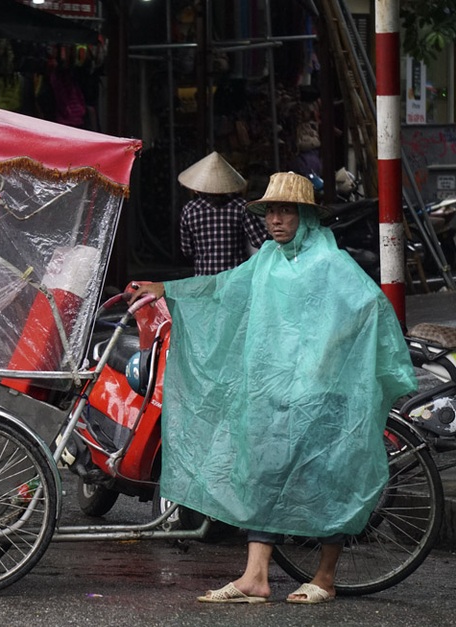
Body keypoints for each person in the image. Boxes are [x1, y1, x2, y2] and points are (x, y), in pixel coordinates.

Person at [132, 172, 416, 604]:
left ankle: (324, 577)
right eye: (270, 212)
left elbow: (370, 309)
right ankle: (255, 577)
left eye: (286, 212)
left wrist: (328, 359)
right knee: (261, 476)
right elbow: (222, 288)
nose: (276, 220)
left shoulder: (330, 262)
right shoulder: (267, 258)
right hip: (273, 392)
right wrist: (167, 289)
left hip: (322, 395)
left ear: (306, 216)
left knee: (326, 479)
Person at [177, 151, 269, 275]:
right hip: (235, 277)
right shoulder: (241, 207)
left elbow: (187, 250)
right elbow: (260, 241)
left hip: (204, 277)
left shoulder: (189, 209)